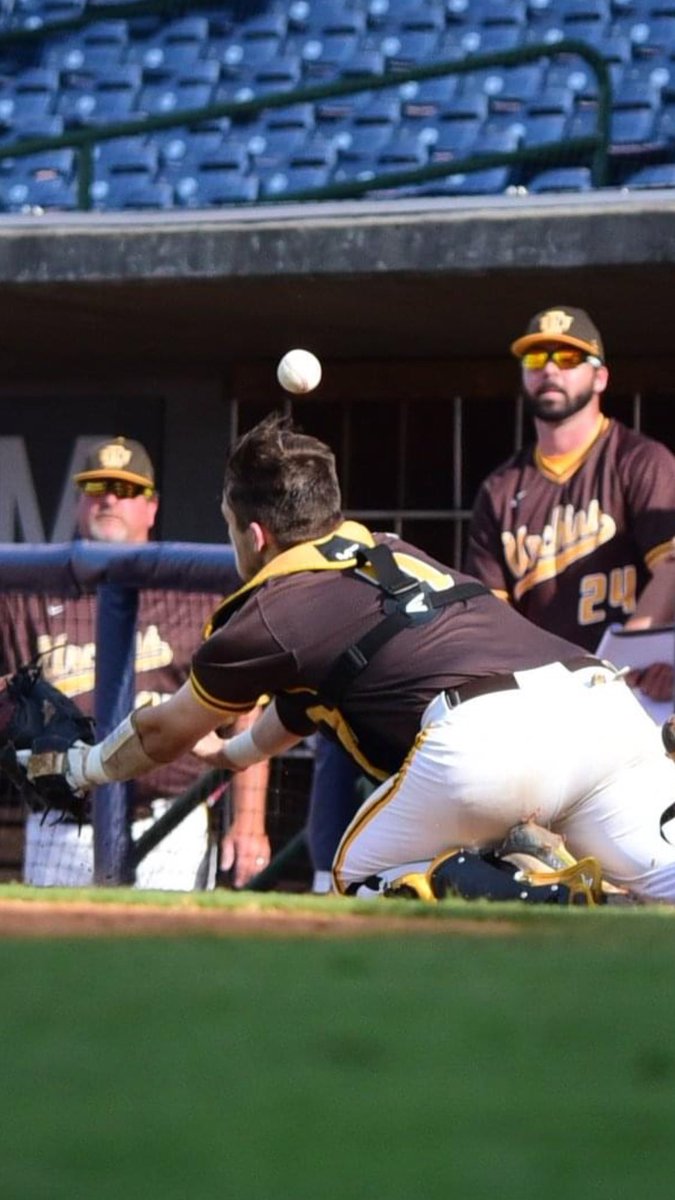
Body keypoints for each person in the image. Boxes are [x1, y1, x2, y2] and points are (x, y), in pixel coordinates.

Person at [22, 414, 675, 905]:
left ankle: (540, 890)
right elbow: (302, 705)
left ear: (255, 534)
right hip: (602, 707)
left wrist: (79, 766)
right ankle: (546, 884)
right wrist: (234, 754)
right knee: (663, 889)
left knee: (359, 876)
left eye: (229, 524)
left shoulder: (269, 613)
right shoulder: (389, 547)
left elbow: (164, 731)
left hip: (489, 741)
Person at [0, 435, 270, 890]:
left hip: (168, 823)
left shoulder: (192, 596)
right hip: (59, 824)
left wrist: (247, 821)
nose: (108, 499)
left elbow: (245, 711)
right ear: (78, 504)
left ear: (151, 508)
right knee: (59, 960)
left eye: (125, 490)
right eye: (96, 488)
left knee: (169, 956)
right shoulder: (29, 598)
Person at [464, 306, 675, 706]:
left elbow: (671, 567)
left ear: (600, 377)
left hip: (641, 689)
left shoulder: (640, 461)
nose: (549, 370)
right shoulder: (500, 487)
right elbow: (488, 613)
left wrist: (625, 658)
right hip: (548, 697)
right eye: (535, 359)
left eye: (568, 358)